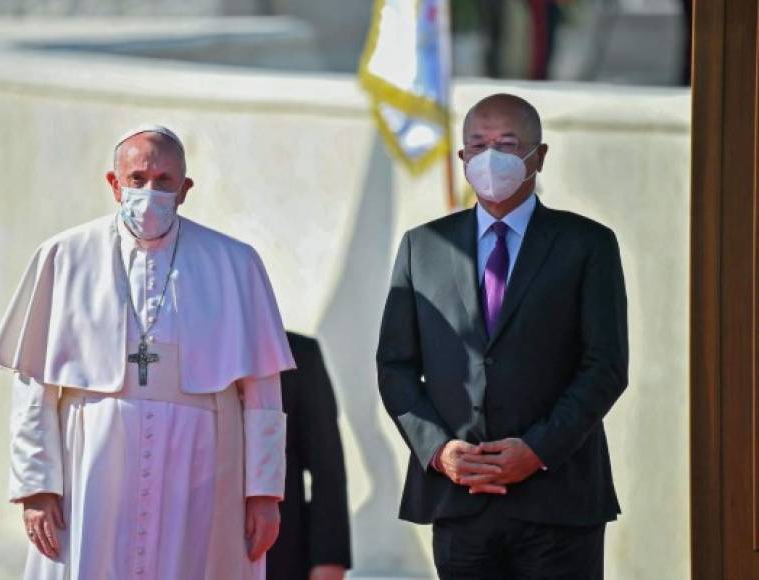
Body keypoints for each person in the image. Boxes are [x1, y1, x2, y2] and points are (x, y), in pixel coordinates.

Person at [0, 124, 295, 580]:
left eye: (164, 181)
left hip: (203, 460)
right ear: (114, 184)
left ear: (185, 189)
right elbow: (34, 387)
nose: (150, 191)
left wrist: (264, 494)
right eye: (137, 179)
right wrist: (36, 488)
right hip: (93, 457)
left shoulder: (236, 262)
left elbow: (264, 392)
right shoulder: (63, 255)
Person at [376, 93, 627, 579]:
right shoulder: (422, 246)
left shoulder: (587, 244)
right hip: (460, 498)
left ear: (539, 156)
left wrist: (536, 451)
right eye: (478, 144)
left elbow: (606, 366)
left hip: (559, 501)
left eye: (508, 144)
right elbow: (396, 365)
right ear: (463, 159)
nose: (491, 156)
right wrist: (440, 452)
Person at [267, 332, 352, 580]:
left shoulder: (298, 352)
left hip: (281, 553)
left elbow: (327, 466)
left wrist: (329, 559)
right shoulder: (180, 351)